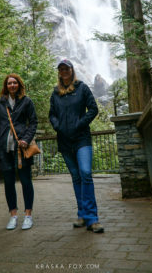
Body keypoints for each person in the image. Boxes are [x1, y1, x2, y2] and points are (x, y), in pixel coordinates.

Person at [49, 59, 104, 233]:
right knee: (76, 177)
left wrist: (80, 124)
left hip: (81, 138)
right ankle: (82, 215)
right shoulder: (56, 93)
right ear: (59, 72)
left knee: (86, 173)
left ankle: (92, 218)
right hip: (65, 141)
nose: (64, 71)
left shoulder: (82, 88)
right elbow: (52, 114)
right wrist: (57, 126)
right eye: (61, 69)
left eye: (67, 68)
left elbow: (93, 109)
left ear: (72, 70)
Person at [0, 73, 38, 230]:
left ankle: (28, 215)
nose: (12, 85)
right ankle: (13, 215)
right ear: (6, 86)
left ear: (19, 84)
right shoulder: (0, 104)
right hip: (5, 150)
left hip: (21, 148)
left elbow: (33, 122)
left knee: (26, 181)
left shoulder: (26, 102)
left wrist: (26, 138)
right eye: (9, 83)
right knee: (9, 183)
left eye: (15, 83)